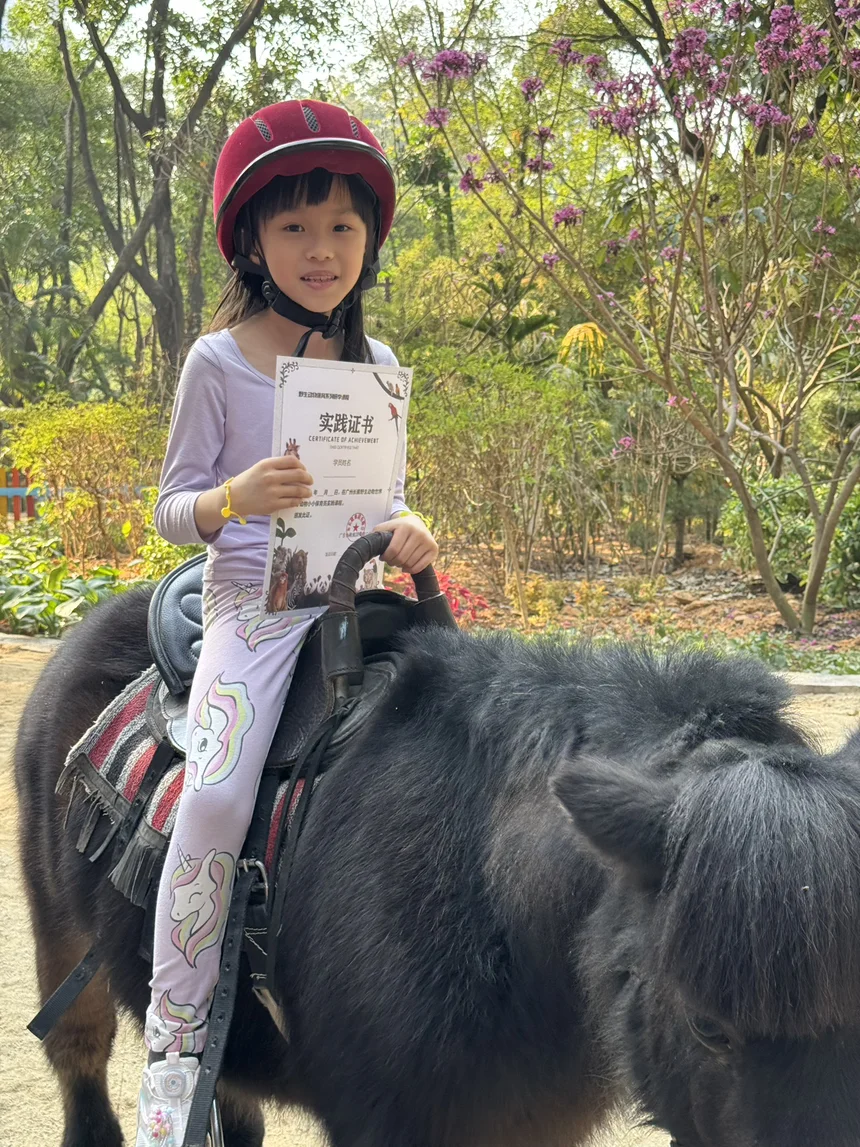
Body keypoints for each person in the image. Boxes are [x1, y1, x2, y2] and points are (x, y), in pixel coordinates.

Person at [136, 99, 438, 1146]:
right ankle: (176, 1049)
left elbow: (379, 496)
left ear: (369, 239)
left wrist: (408, 525)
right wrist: (232, 500)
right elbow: (170, 507)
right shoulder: (216, 362)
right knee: (218, 797)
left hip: (356, 602)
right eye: (296, 226)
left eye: (342, 226)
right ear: (254, 243)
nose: (322, 249)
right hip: (255, 614)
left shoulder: (375, 361)